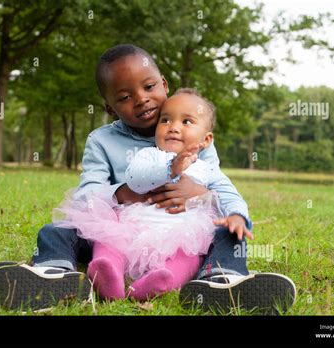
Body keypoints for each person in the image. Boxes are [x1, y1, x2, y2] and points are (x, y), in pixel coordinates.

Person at [0, 44, 295, 313]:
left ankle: (221, 280)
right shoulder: (102, 141)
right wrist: (125, 194)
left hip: (180, 236)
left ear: (164, 85)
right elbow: (87, 195)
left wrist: (202, 196)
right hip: (119, 235)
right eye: (125, 96)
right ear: (110, 108)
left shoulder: (193, 136)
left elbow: (220, 186)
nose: (141, 99)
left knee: (229, 231)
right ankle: (53, 273)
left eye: (148, 87)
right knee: (56, 230)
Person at [53, 88, 229, 301]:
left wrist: (200, 194)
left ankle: (163, 281)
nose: (173, 128)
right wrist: (169, 168)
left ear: (206, 138)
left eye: (186, 122)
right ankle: (105, 271)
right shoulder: (149, 154)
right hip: (134, 223)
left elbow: (223, 192)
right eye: (165, 121)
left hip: (182, 231)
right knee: (106, 237)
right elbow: (135, 178)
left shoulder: (204, 164)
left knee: (192, 253)